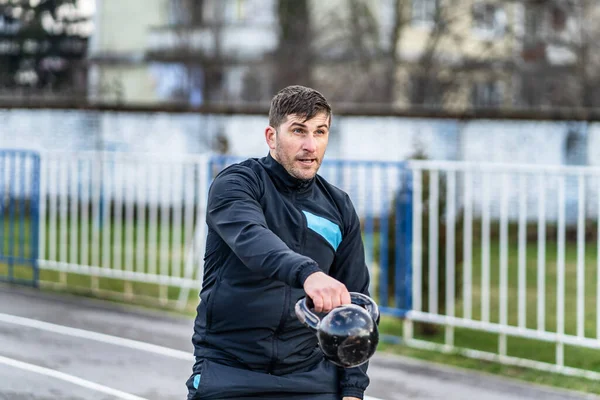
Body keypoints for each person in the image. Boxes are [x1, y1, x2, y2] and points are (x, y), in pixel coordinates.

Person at [186, 85, 374, 400]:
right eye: (298, 131)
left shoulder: (339, 207)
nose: (310, 145)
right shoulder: (237, 184)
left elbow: (354, 304)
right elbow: (252, 238)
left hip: (311, 378)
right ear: (272, 137)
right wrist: (309, 274)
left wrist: (353, 390)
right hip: (230, 372)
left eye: (320, 132)